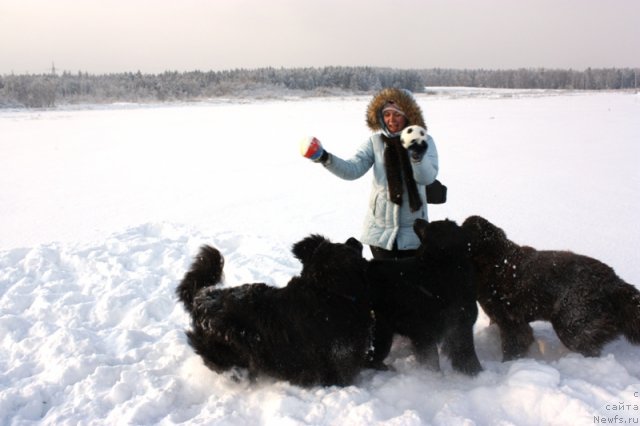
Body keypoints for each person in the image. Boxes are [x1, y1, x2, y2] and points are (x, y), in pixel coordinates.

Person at [301, 87, 439, 260]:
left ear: (408, 115)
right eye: (387, 114)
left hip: (413, 231)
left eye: (397, 114)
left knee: (409, 285)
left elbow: (426, 178)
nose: (391, 119)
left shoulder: (425, 141)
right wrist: (324, 157)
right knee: (382, 285)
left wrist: (417, 156)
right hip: (380, 231)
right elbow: (352, 170)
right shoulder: (375, 143)